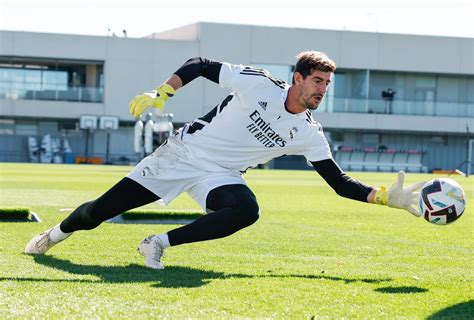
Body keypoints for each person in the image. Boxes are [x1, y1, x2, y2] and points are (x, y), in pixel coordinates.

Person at [25, 52, 425, 269]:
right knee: (98, 211)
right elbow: (200, 65)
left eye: (327, 84)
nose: (322, 90)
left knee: (245, 210)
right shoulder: (259, 83)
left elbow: (338, 182)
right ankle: (53, 236)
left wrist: (384, 198)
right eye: (317, 81)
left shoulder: (308, 131)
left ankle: (157, 243)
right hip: (181, 155)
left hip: (221, 175)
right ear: (298, 79)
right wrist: (163, 93)